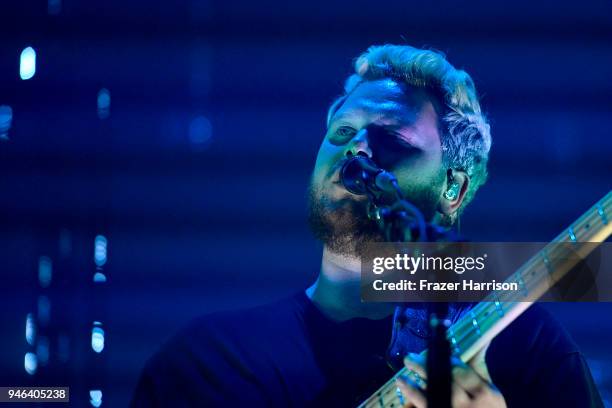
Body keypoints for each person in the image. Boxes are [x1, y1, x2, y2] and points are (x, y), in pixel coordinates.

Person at [131, 44, 603, 407]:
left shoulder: (527, 348)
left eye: (392, 138)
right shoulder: (207, 365)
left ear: (452, 189)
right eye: (341, 132)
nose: (355, 149)